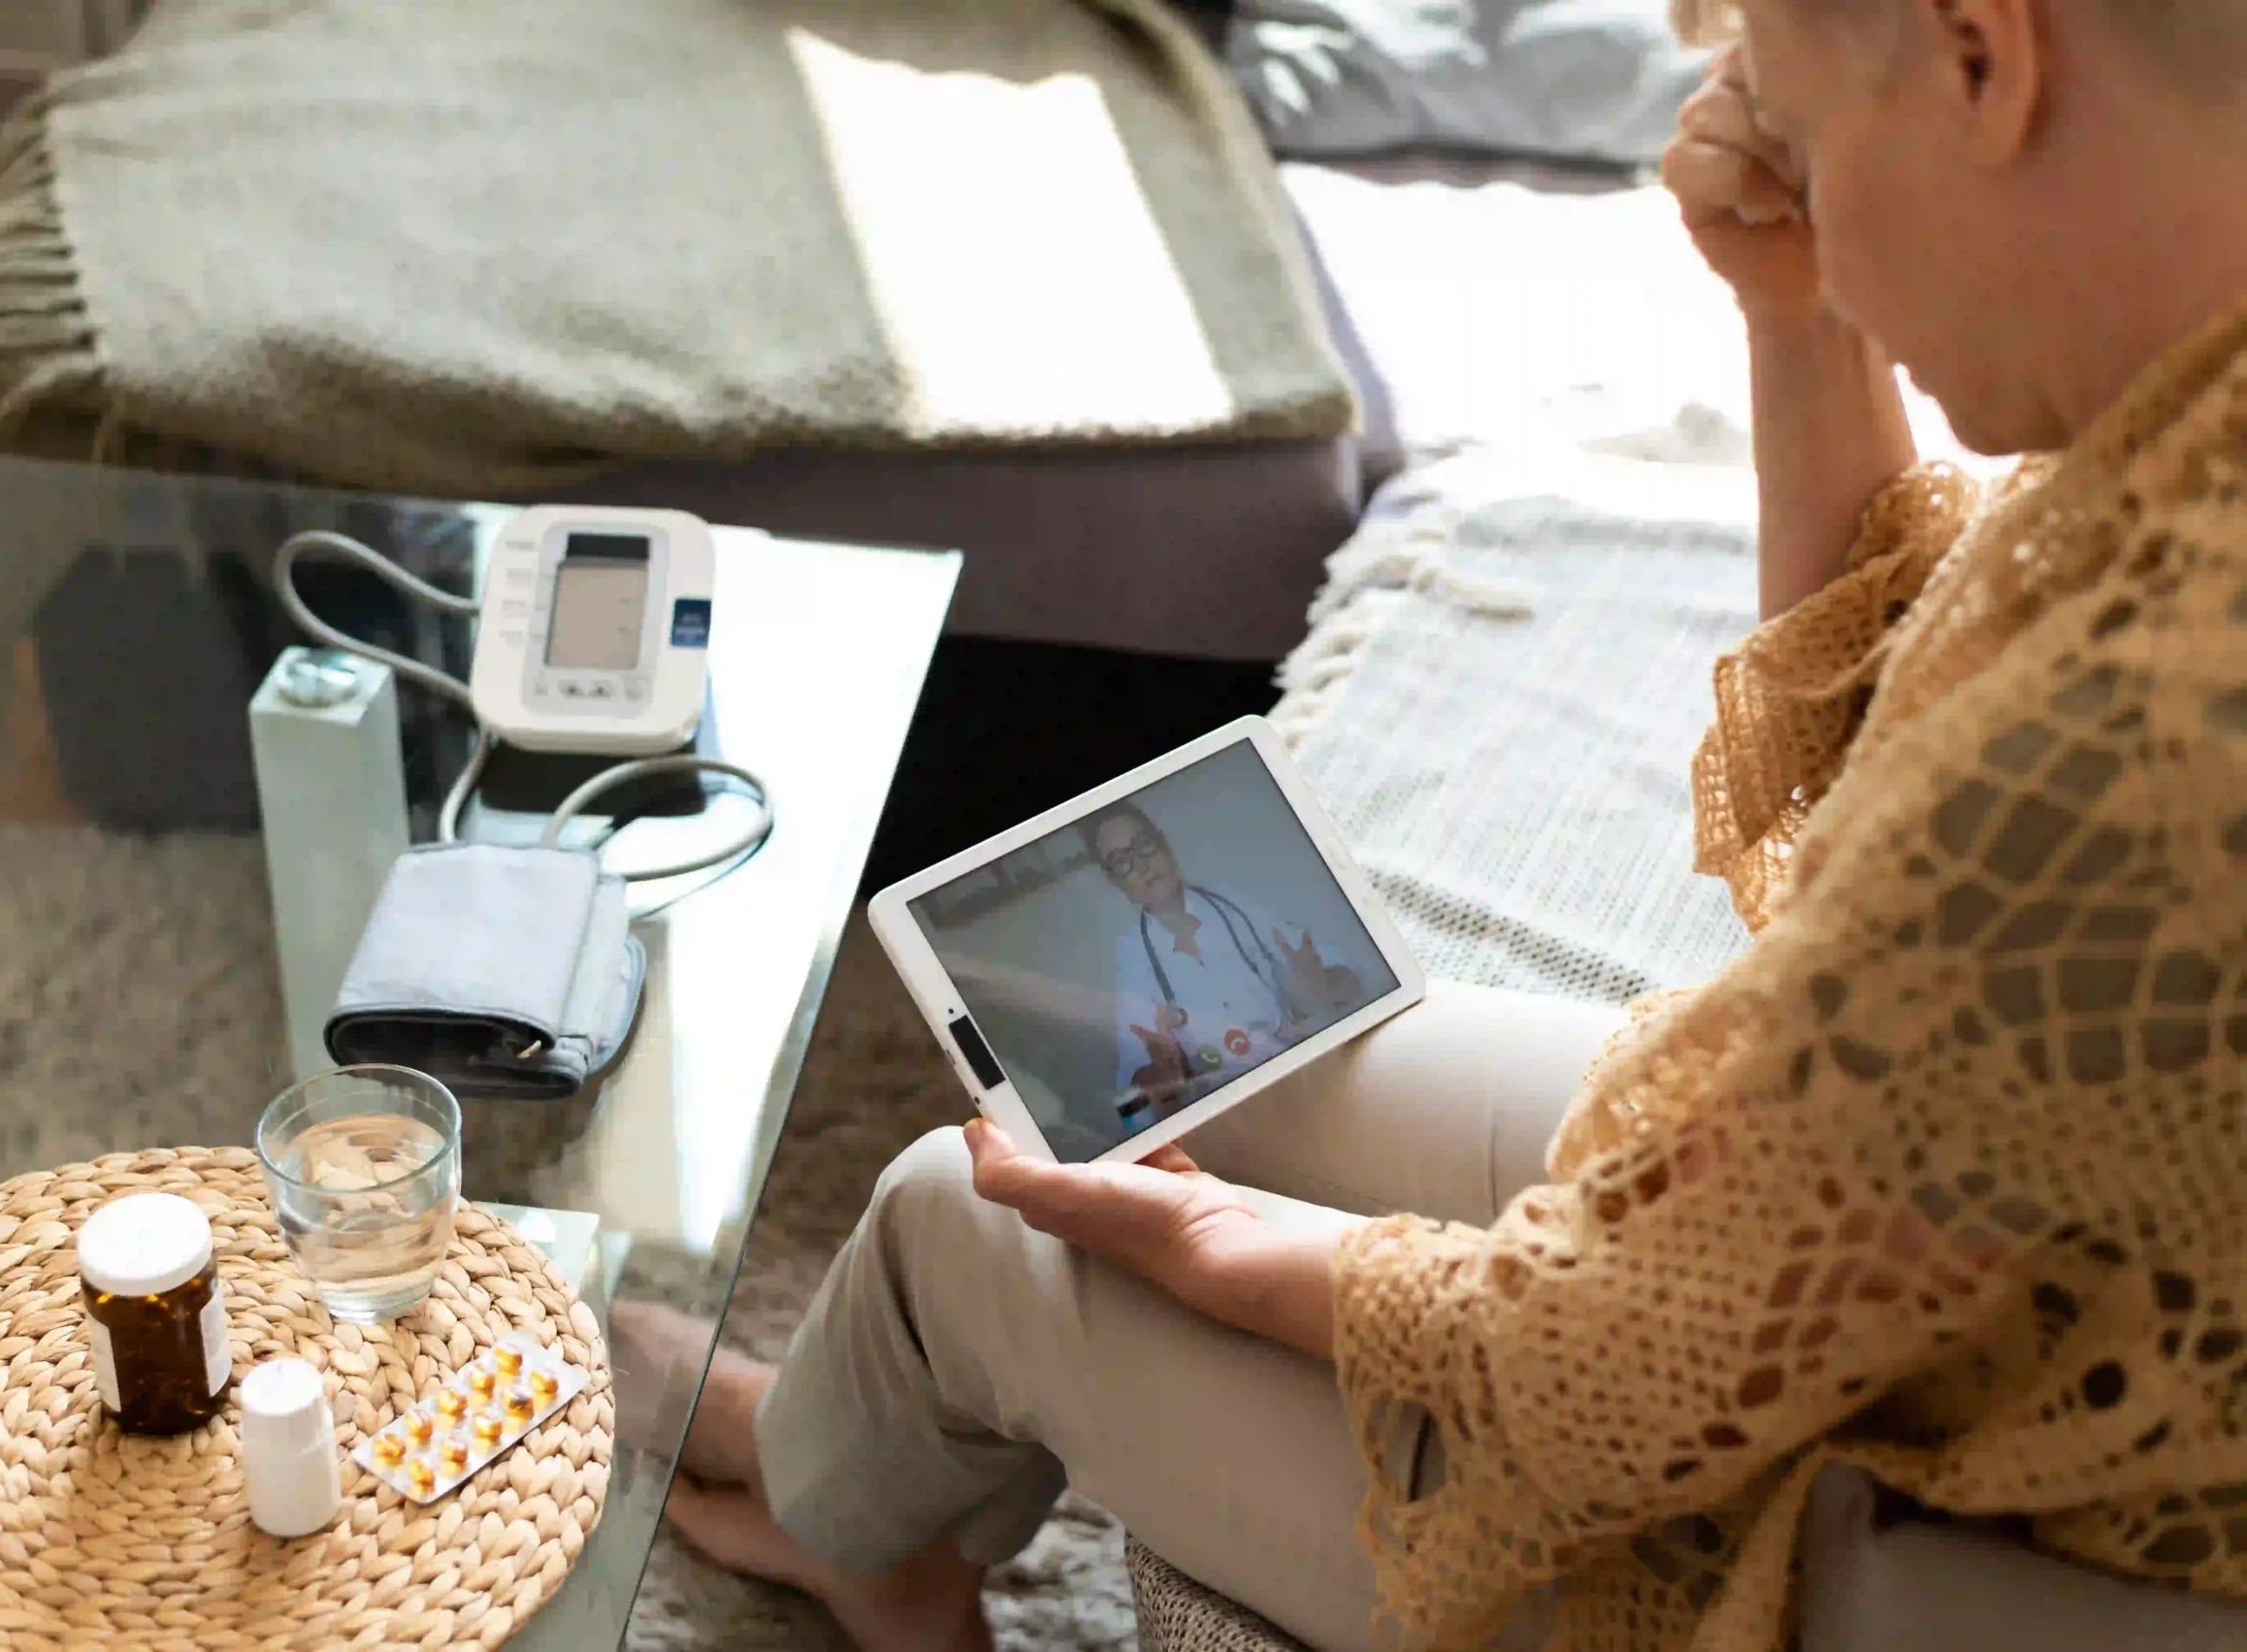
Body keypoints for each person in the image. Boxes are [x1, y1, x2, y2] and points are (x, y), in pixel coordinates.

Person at [642, 2, 2247, 1647]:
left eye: (1818, 148)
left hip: (1960, 1552)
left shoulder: (2122, 744)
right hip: (1982, 1300)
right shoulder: (2182, 432)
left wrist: (1216, 1241)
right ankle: (864, 1461)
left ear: (1984, 58)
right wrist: (1795, 318)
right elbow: (1881, 771)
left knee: (955, 1216)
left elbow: (1600, 1369)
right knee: (1229, 1068)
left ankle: (851, 1517)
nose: (1814, 218)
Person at [1081, 800, 1372, 1135]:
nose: (1142, 865)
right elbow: (1130, 1096)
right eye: (1122, 862)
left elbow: (1353, 978)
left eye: (1145, 845)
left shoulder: (1236, 906)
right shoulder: (1132, 958)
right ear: (1114, 881)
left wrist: (1320, 982)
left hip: (1299, 1074)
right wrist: (1163, 1069)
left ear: (1165, 845)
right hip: (1233, 1115)